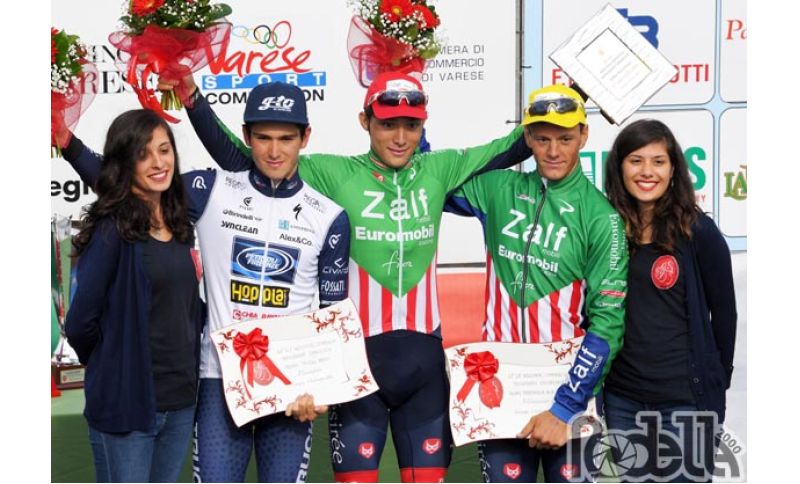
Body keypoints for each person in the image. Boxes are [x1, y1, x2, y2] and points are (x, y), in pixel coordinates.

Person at [163, 70, 531, 482]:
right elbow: (245, 158)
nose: (400, 138)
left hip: (424, 364)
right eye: (387, 125)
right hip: (358, 367)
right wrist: (193, 98)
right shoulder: (333, 173)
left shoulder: (440, 168)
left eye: (411, 126)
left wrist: (572, 91)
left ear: (423, 127)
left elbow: (510, 147)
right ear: (364, 122)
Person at [60, 82, 350, 483]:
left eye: (286, 138)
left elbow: (332, 320)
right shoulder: (211, 189)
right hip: (218, 379)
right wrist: (68, 144)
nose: (274, 150)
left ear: (306, 137)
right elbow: (129, 186)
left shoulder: (329, 217)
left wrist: (320, 388)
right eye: (263, 137)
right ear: (246, 136)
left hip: (291, 387)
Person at [446, 84, 629, 483]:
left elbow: (608, 326)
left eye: (565, 138)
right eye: (542, 139)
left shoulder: (601, 218)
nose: (553, 151)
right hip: (500, 389)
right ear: (526, 138)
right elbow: (428, 180)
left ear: (584, 135)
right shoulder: (498, 189)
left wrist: (565, 408)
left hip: (568, 393)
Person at [65, 109, 206, 482]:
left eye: (164, 150)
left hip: (181, 401)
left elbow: (184, 307)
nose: (158, 163)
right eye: (143, 155)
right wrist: (112, 364)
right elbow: (79, 323)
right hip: (128, 402)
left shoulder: (180, 223)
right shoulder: (112, 230)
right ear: (124, 164)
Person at [601, 119, 736, 482]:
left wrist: (717, 377)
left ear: (673, 168)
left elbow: (725, 312)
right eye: (636, 160)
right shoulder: (606, 229)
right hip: (623, 400)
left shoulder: (698, 230)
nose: (647, 171)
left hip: (686, 402)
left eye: (658, 161)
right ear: (619, 168)